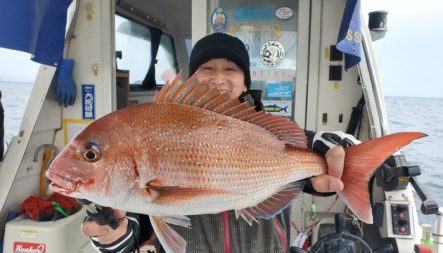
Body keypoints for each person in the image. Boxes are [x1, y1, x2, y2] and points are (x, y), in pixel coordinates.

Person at [81, 33, 359, 252]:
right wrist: (114, 235)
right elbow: (138, 221)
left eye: (231, 69)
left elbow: (316, 158)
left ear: (245, 82)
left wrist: (336, 151)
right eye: (207, 68)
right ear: (192, 78)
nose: (218, 78)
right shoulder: (158, 131)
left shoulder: (272, 132)